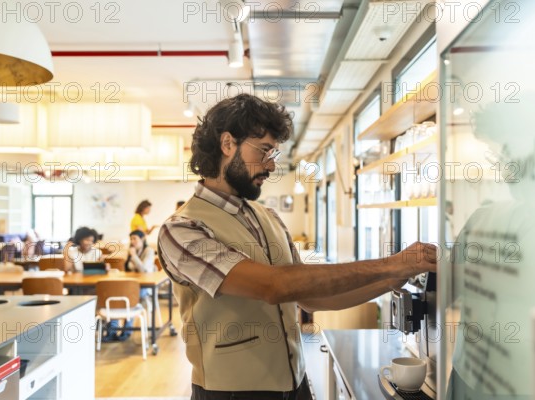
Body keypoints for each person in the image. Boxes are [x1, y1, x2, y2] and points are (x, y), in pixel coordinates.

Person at [157, 94, 436, 400]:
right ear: (227, 144)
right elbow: (273, 287)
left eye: (274, 153)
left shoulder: (268, 217)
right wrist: (392, 263)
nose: (271, 165)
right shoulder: (182, 229)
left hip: (296, 383)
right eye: (264, 150)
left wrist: (388, 281)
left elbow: (310, 299)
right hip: (232, 393)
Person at [105, 230, 157, 342]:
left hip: (144, 286)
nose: (132, 241)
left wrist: (133, 255)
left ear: (142, 239)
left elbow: (143, 270)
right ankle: (112, 330)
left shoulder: (149, 251)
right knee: (114, 293)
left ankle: (127, 330)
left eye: (135, 239)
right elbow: (126, 269)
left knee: (130, 295)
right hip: (130, 283)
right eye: (131, 239)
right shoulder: (130, 250)